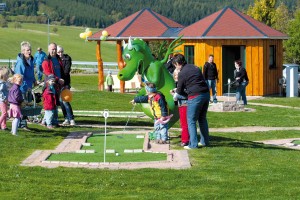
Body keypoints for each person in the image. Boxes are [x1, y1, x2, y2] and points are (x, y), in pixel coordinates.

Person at [173, 53, 210, 149]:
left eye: (175, 65)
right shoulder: (194, 67)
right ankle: (204, 141)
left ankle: (193, 145)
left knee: (191, 120)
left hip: (195, 96)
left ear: (177, 63)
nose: (176, 68)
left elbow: (179, 90)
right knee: (202, 118)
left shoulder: (182, 73)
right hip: (206, 94)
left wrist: (175, 95)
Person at [14, 41, 37, 130]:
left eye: (30, 50)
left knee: (27, 106)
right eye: (27, 50)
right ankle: (21, 124)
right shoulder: (20, 63)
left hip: (29, 87)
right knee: (23, 106)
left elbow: (31, 73)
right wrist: (25, 87)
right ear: (23, 51)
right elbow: (19, 77)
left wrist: (34, 80)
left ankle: (23, 123)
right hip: (22, 88)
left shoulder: (30, 60)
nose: (29, 52)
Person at [42, 43, 65, 126]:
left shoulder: (59, 60)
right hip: (50, 85)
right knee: (50, 104)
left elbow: (62, 72)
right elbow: (48, 73)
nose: (54, 50)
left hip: (58, 85)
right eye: (52, 49)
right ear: (48, 50)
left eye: (55, 49)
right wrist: (58, 79)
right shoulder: (46, 61)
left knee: (55, 104)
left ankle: (52, 121)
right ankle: (49, 122)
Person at [57, 45, 75, 126]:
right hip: (58, 83)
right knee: (60, 102)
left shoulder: (67, 59)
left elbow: (66, 71)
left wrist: (60, 78)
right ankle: (66, 118)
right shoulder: (55, 60)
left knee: (65, 101)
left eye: (61, 52)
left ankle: (71, 119)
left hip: (65, 83)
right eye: (58, 52)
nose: (60, 53)